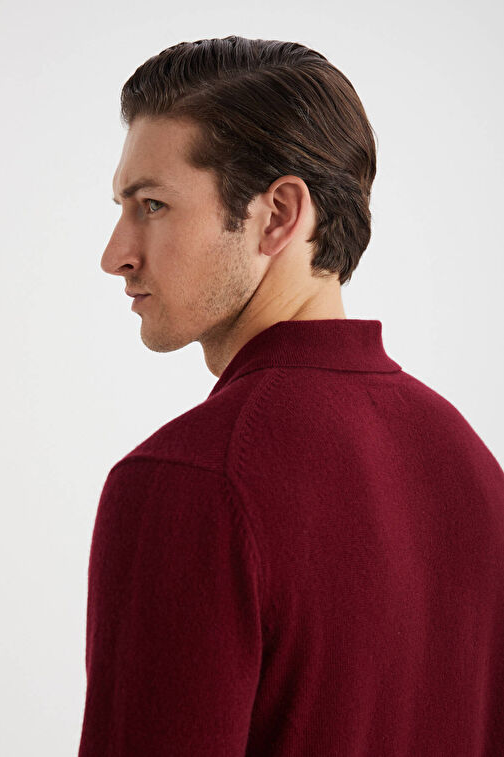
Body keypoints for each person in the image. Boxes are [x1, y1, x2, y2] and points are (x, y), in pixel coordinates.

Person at [78, 36, 504, 756]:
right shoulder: (472, 467)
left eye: (152, 204)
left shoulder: (189, 480)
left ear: (277, 214)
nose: (115, 254)